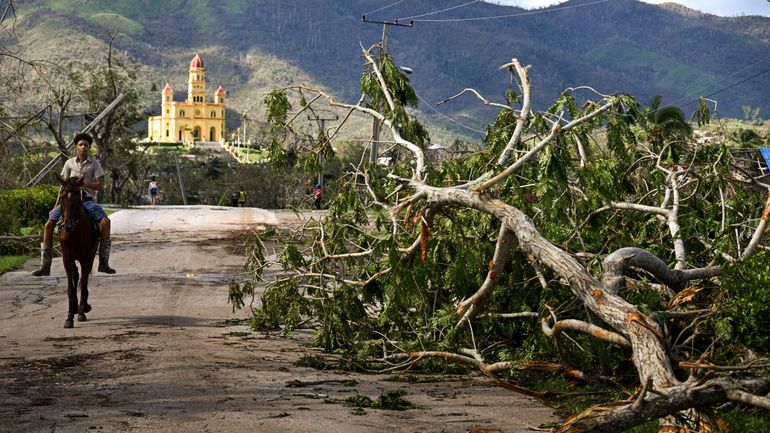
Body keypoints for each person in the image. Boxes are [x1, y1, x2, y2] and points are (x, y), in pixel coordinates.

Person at [32, 132, 116, 276]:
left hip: (86, 199)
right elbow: (62, 186)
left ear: (89, 147)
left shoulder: (94, 163)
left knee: (106, 222)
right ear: (76, 147)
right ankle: (45, 265)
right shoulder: (69, 163)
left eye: (86, 145)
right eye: (80, 145)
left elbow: (100, 185)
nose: (83, 147)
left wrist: (86, 184)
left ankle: (103, 262)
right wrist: (55, 207)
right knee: (48, 225)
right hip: (69, 201)